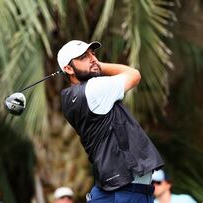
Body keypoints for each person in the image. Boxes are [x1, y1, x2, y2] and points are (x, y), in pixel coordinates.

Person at [58, 40, 164, 202]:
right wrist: (99, 65)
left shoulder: (68, 97)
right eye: (83, 57)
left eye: (93, 54)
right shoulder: (94, 88)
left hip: (110, 190)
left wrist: (91, 63)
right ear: (68, 68)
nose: (93, 58)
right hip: (125, 191)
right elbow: (134, 75)